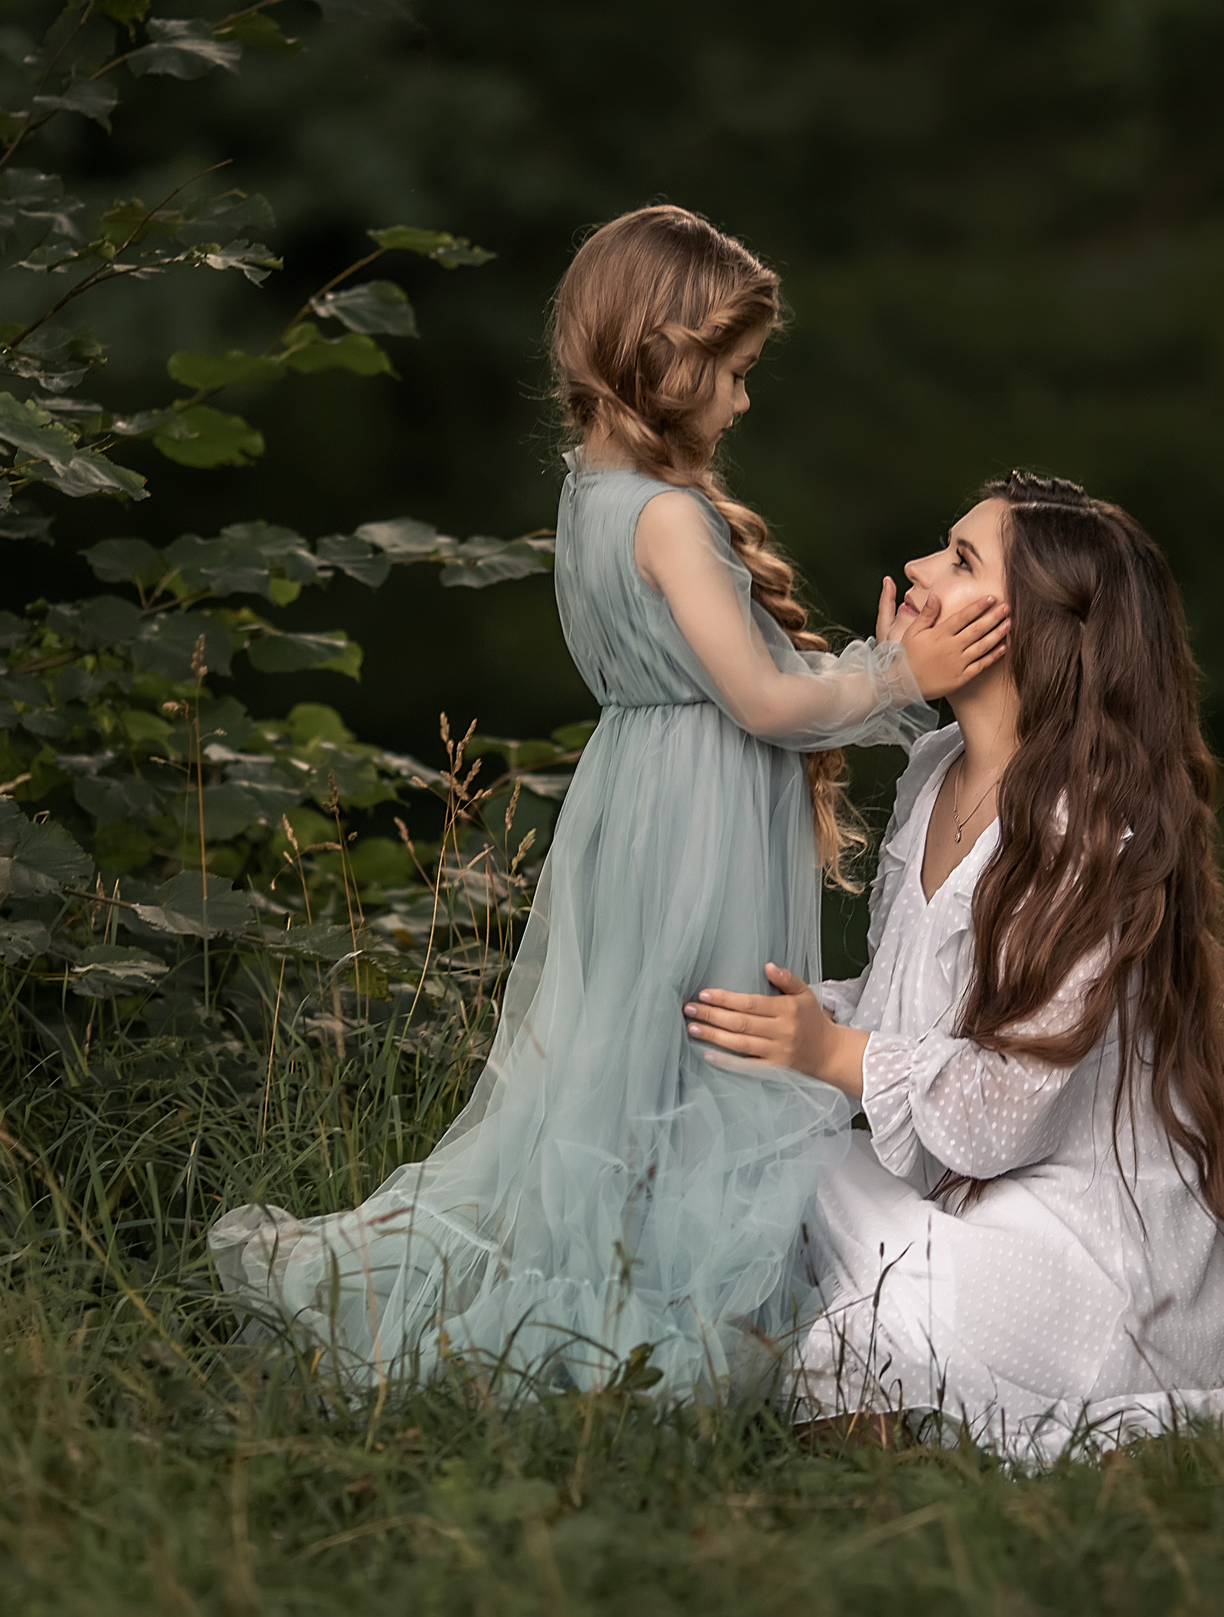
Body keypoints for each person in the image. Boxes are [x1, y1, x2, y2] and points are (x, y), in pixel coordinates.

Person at [210, 206, 1008, 1395]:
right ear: (665, 356)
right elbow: (757, 701)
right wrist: (901, 677)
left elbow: (728, 682)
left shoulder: (591, 494)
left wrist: (870, 668)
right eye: (732, 373)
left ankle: (638, 1301)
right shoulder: (669, 517)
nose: (742, 401)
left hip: (642, 803)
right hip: (695, 825)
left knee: (641, 1067)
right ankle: (642, 1332)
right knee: (701, 1066)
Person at [685, 472, 1224, 1462]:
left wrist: (827, 1052)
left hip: (1079, 1242)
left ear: (1038, 632)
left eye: (961, 560)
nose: (918, 569)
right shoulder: (936, 772)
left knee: (828, 1340)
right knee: (741, 1172)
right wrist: (766, 1018)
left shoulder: (1079, 833)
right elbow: (907, 1005)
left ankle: (965, 1411)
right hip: (959, 1199)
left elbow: (1002, 1114)